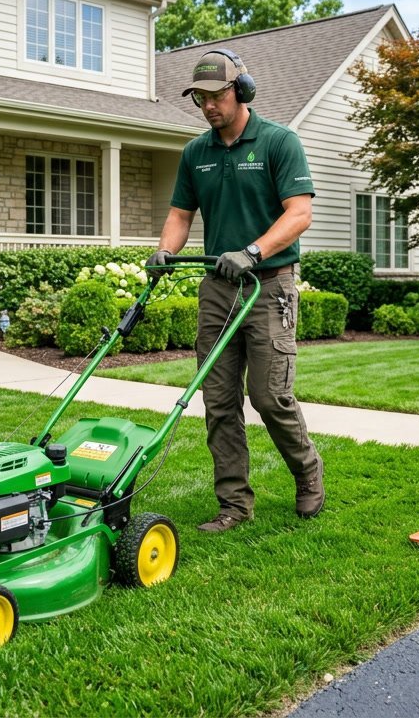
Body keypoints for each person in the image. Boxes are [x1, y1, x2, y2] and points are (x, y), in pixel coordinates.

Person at [149, 48, 324, 533]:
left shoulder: (278, 142)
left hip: (269, 286)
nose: (208, 105)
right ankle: (234, 504)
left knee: (270, 397)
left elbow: (299, 214)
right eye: (200, 98)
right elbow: (181, 215)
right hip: (218, 289)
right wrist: (165, 250)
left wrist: (253, 251)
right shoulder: (194, 153)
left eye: (217, 95)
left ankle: (308, 473)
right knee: (219, 400)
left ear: (241, 91)